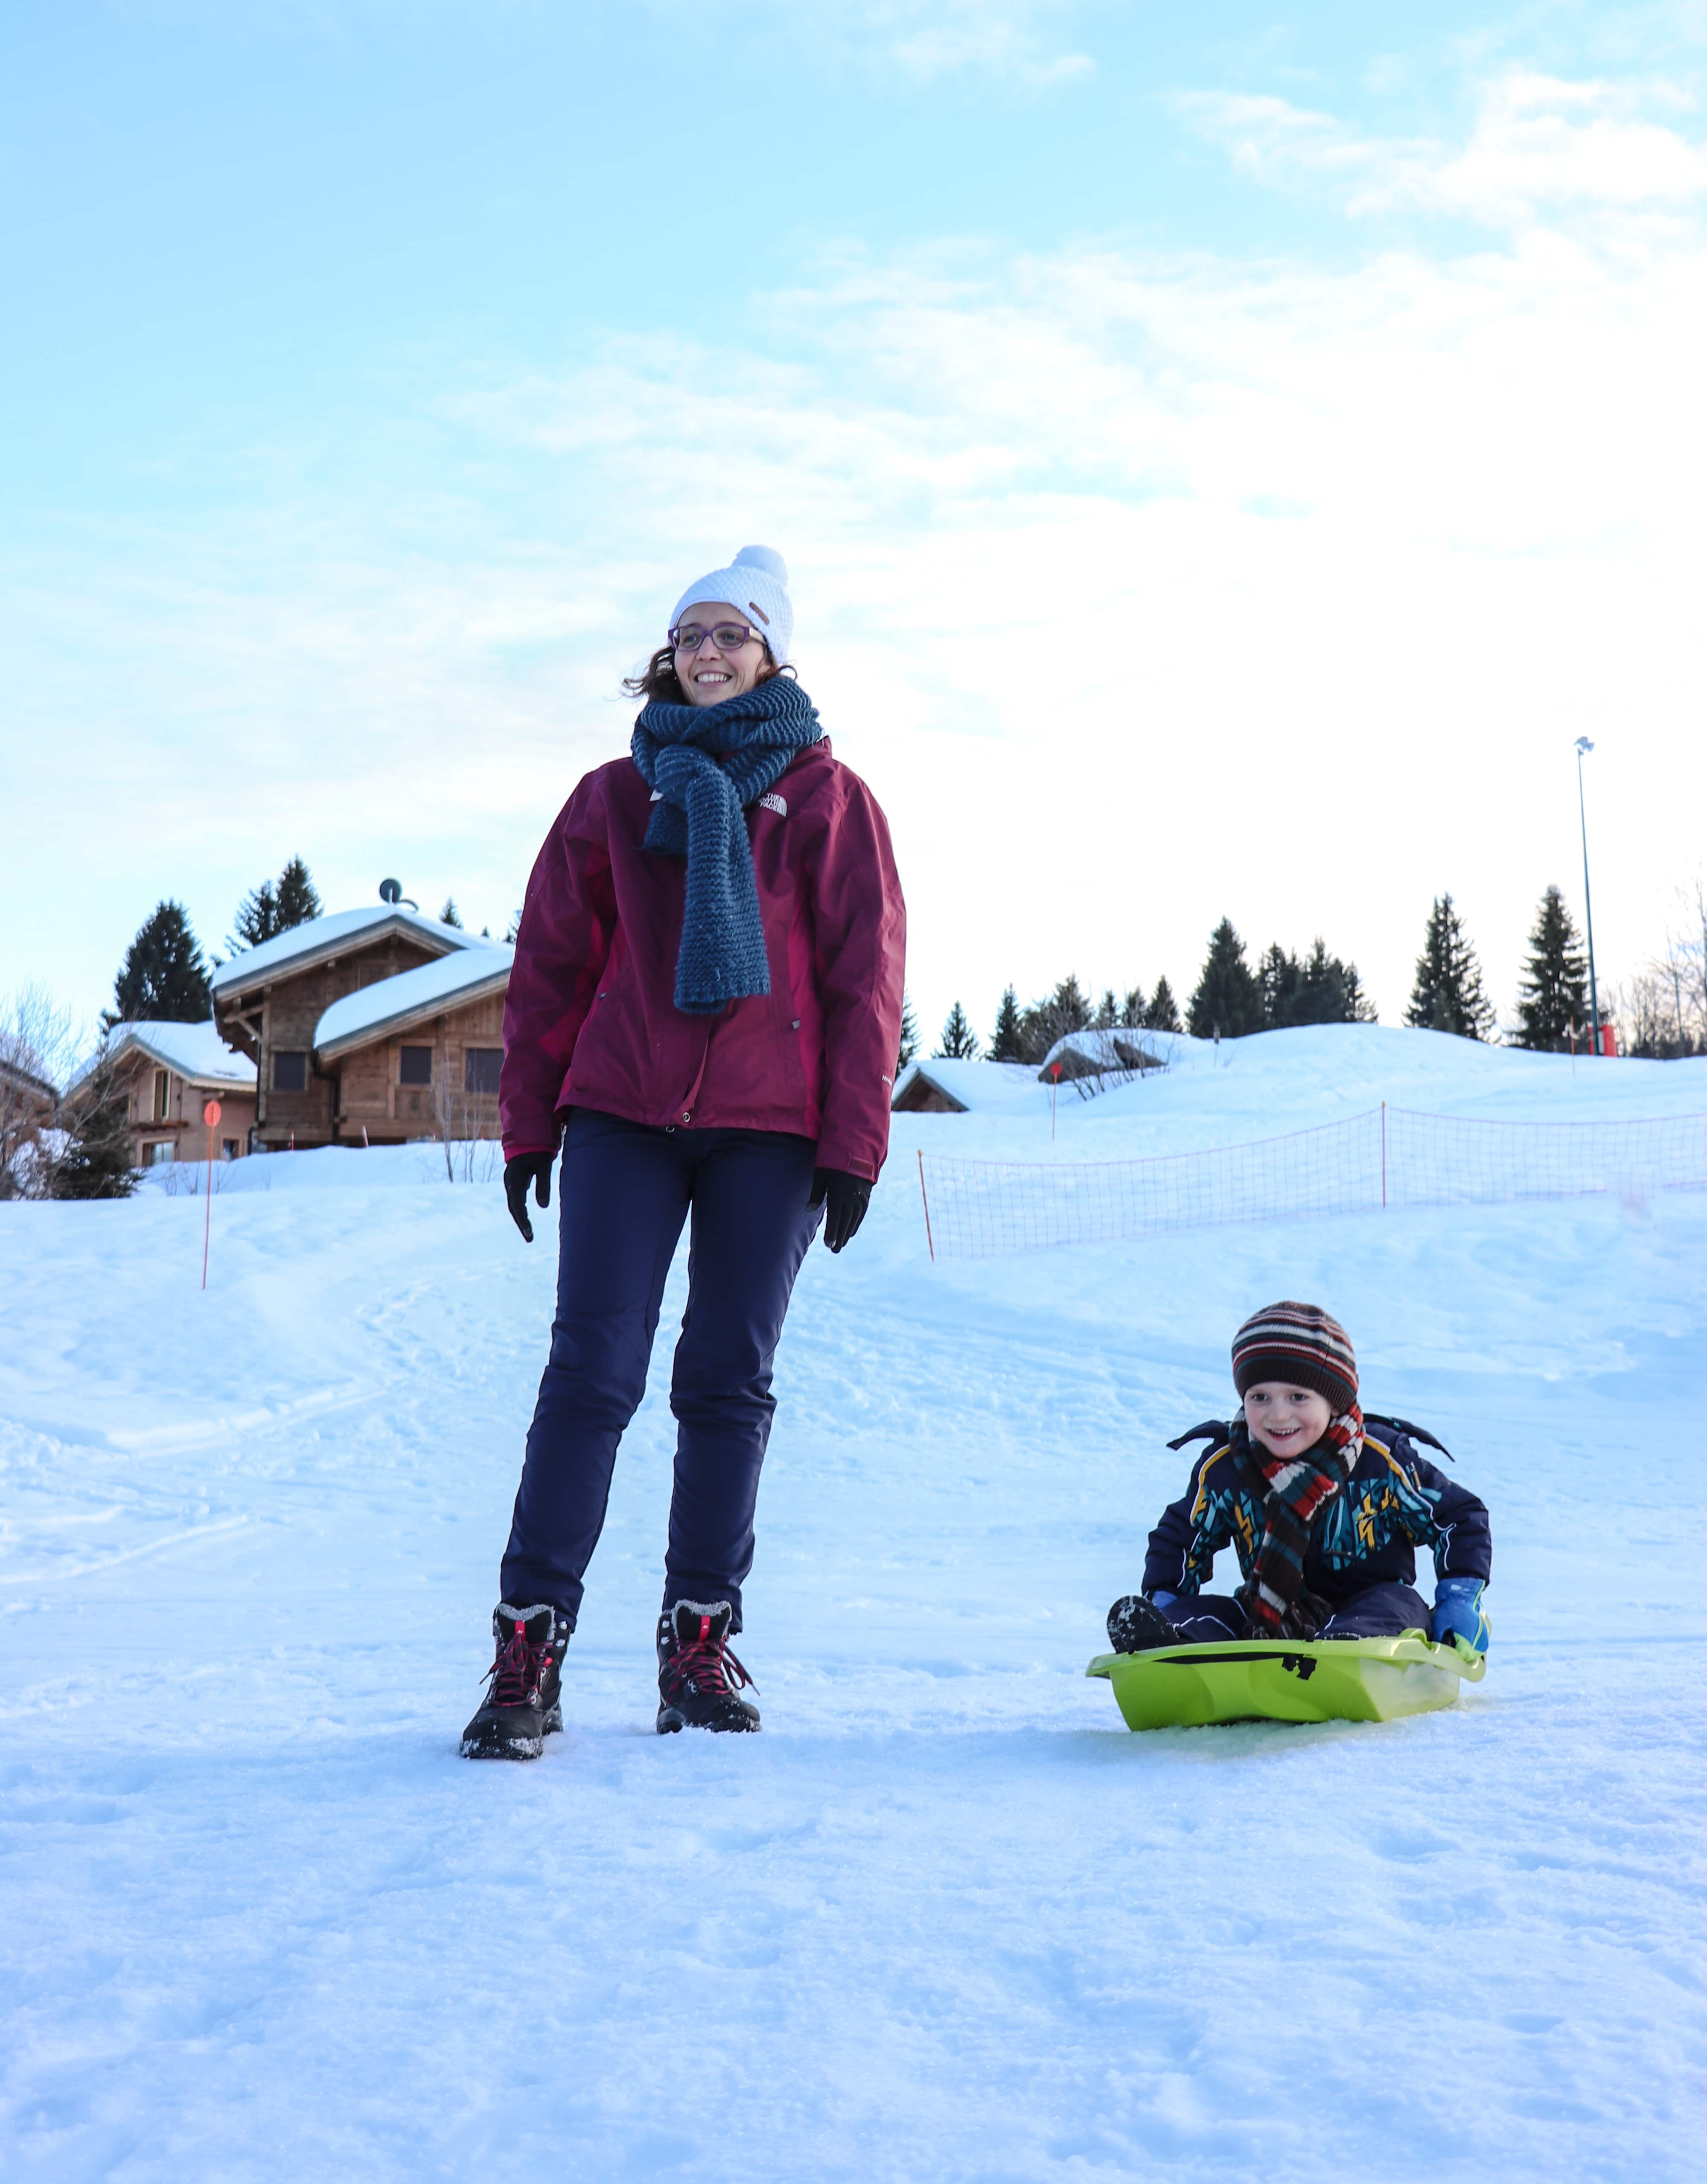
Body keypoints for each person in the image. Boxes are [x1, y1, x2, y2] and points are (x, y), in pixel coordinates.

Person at [463, 546, 906, 1760]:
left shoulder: (827, 799)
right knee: (591, 1375)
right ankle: (529, 1647)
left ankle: (698, 1640)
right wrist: (527, 1123)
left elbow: (867, 979)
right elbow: (549, 966)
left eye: (733, 633)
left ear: (773, 654)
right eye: (693, 634)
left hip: (771, 1129)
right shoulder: (613, 796)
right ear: (671, 654)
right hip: (622, 1115)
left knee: (726, 1379)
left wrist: (855, 1142)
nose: (710, 651)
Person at [1106, 1300, 1491, 1655]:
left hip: (1373, 1606)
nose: (1277, 1415)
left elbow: (1458, 1516)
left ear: (1335, 1400)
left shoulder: (1380, 1460)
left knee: (1399, 1605)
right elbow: (1181, 1536)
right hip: (1270, 1616)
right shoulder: (1228, 1465)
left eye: (1298, 1397)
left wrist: (1458, 1597)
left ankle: (1346, 1649)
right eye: (1260, 1397)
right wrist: (1167, 1599)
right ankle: (1168, 1641)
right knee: (1215, 1615)